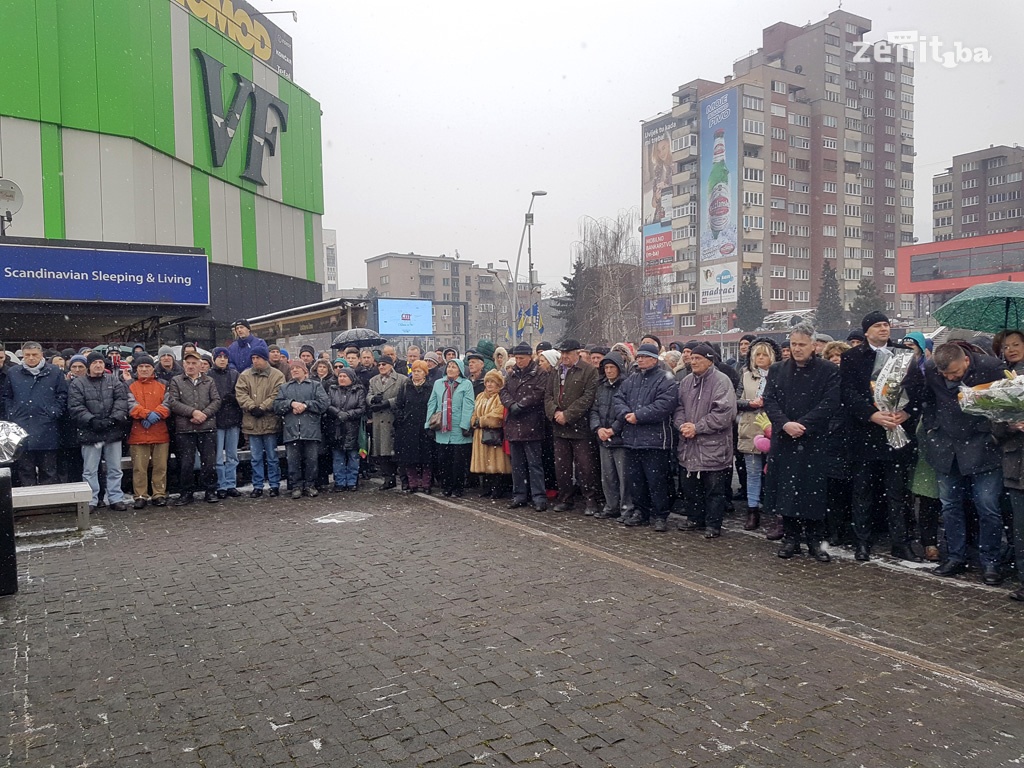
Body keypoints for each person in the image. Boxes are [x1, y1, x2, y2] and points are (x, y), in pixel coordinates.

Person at [917, 341, 1007, 585]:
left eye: (955, 373)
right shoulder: (932, 370)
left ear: (966, 360)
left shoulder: (991, 367)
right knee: (950, 506)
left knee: (987, 505)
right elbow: (926, 401)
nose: (950, 378)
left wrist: (993, 433)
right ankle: (955, 556)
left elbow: (1003, 404)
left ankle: (990, 560)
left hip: (983, 446)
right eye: (945, 374)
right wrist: (932, 427)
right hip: (946, 447)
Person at [840, 311, 923, 563]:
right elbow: (848, 393)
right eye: (877, 326)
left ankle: (901, 543)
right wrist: (871, 415)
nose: (883, 329)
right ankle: (863, 541)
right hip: (865, 434)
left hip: (895, 433)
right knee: (862, 491)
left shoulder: (904, 354)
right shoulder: (851, 357)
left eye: (886, 325)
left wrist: (907, 414)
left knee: (897, 493)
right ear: (866, 331)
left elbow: (918, 390)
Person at [762, 324, 840, 562]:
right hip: (785, 439)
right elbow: (769, 400)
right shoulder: (777, 370)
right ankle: (791, 538)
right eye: (793, 344)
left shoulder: (828, 370)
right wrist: (785, 424)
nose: (797, 349)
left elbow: (830, 402)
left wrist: (803, 424)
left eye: (802, 344)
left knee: (813, 492)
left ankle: (816, 541)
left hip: (813, 441)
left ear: (813, 345)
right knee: (787, 490)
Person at [674, 343, 737, 538]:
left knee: (714, 489)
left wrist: (698, 427)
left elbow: (725, 413)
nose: (693, 362)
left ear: (710, 361)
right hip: (689, 445)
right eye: (692, 358)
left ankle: (713, 524)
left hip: (713, 446)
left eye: (698, 358)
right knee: (691, 486)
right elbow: (678, 407)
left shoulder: (721, 381)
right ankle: (695, 518)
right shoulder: (685, 382)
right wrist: (682, 425)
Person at [614, 343, 678, 531]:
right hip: (632, 440)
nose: (639, 359)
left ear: (654, 359)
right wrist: (626, 413)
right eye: (638, 356)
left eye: (644, 356)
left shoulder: (666, 379)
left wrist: (638, 416)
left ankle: (660, 515)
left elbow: (664, 406)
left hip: (655, 441)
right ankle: (641, 512)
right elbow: (618, 398)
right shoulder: (632, 379)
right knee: (636, 480)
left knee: (656, 481)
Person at [68, 351, 130, 511]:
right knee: (90, 469)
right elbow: (75, 406)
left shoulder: (114, 381)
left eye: (101, 363)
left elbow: (121, 401)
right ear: (89, 365)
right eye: (95, 363)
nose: (98, 365)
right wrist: (91, 420)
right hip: (90, 432)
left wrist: (113, 419)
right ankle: (91, 500)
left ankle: (116, 497)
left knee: (115, 468)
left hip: (112, 431)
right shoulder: (78, 384)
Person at [545, 339, 600, 514]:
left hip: (579, 427)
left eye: (568, 353)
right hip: (559, 427)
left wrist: (567, 415)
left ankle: (590, 500)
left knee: (585, 467)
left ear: (578, 352)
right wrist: (554, 412)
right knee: (562, 467)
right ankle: (565, 498)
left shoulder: (588, 371)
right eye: (562, 353)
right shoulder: (557, 370)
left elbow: (588, 397)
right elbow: (548, 395)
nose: (564, 356)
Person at [3, 341, 68, 486]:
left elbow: (62, 395)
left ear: (41, 355)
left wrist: (54, 412)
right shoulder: (13, 373)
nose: (31, 358)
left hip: (47, 428)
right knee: (25, 470)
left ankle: (48, 505)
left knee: (49, 470)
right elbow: (7, 396)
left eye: (34, 355)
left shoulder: (54, 372)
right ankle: (29, 505)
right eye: (27, 355)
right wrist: (12, 414)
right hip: (22, 428)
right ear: (22, 356)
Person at [167, 350, 221, 505]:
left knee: (209, 462)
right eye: (188, 363)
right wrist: (193, 412)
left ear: (200, 365)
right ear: (183, 365)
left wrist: (204, 414)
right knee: (186, 463)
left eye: (194, 363)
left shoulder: (209, 381)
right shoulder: (176, 381)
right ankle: (186, 493)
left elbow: (216, 400)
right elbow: (173, 402)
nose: (190, 366)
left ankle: (210, 491)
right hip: (185, 428)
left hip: (207, 426)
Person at [500, 343, 550, 511]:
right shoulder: (512, 374)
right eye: (517, 358)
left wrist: (521, 405)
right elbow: (503, 391)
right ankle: (519, 494)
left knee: (535, 464)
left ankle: (538, 497)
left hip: (532, 423)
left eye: (521, 358)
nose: (518, 361)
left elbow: (538, 393)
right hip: (514, 424)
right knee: (517, 464)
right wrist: (511, 404)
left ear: (530, 357)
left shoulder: (540, 373)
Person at [735, 339, 778, 531]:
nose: (761, 358)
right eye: (757, 355)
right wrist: (750, 403)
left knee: (775, 473)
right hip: (750, 428)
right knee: (752, 473)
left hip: (774, 429)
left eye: (764, 354)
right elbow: (735, 401)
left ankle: (776, 513)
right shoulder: (745, 376)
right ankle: (752, 511)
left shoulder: (780, 375)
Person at [994, 330, 1024, 600]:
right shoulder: (1002, 380)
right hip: (1016, 462)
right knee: (1020, 525)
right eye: (1006, 346)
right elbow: (995, 425)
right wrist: (1010, 425)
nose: (1011, 349)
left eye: (1016, 344)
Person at [274, 360, 329, 498]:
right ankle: (296, 486)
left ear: (305, 371)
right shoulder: (285, 388)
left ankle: (310, 485)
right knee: (293, 461)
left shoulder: (315, 386)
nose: (294, 370)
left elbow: (324, 404)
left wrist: (306, 405)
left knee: (312, 460)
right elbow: (276, 406)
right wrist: (291, 403)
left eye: (298, 368)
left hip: (311, 430)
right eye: (292, 369)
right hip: (291, 430)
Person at [235, 348, 285, 498]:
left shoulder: (277, 375)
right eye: (253, 358)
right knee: (255, 457)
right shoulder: (245, 375)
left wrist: (263, 407)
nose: (255, 360)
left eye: (258, 358)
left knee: (272, 456)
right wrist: (252, 406)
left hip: (269, 421)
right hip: (252, 422)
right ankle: (257, 485)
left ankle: (274, 484)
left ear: (265, 358)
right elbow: (240, 393)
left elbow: (278, 393)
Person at [590, 351, 631, 520]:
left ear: (619, 368)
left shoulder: (626, 385)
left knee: (624, 477)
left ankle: (626, 508)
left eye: (611, 367)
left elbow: (626, 411)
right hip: (603, 437)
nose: (608, 371)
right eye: (606, 367)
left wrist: (614, 429)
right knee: (607, 476)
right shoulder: (601, 386)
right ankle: (611, 506)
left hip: (620, 438)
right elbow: (594, 410)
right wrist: (598, 428)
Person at [126, 354, 171, 508]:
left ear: (153, 368)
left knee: (160, 466)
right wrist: (145, 414)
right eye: (141, 367)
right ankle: (140, 495)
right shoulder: (129, 385)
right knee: (139, 468)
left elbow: (168, 402)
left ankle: (159, 493)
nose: (144, 369)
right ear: (136, 369)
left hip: (159, 432)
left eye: (147, 366)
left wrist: (157, 414)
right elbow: (130, 404)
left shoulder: (163, 384)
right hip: (139, 433)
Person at [425, 359, 475, 497]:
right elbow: (432, 403)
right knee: (444, 460)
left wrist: (465, 425)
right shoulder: (438, 383)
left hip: (458, 429)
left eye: (454, 367)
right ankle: (446, 486)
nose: (451, 369)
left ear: (460, 370)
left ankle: (458, 487)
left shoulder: (466, 384)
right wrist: (428, 424)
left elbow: (469, 406)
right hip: (442, 428)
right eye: (449, 367)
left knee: (458, 461)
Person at [470, 369, 512, 498]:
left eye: (492, 382)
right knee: (484, 463)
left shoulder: (500, 397)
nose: (489, 384)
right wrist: (475, 420)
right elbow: (474, 414)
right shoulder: (480, 396)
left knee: (496, 463)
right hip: (480, 435)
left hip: (493, 435)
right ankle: (487, 487)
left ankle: (497, 488)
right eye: (487, 381)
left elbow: (497, 416)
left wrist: (480, 421)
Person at [394, 360, 434, 493]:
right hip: (408, 427)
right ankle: (413, 484)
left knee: (426, 457)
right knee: (409, 457)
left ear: (425, 373)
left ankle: (426, 484)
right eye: (414, 371)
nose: (416, 374)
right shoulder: (406, 387)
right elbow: (398, 405)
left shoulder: (430, 388)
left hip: (424, 427)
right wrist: (401, 417)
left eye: (419, 371)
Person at [326, 363, 366, 492]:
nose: (341, 378)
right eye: (340, 376)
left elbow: (361, 408)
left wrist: (348, 414)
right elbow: (327, 404)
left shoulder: (359, 390)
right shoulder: (332, 389)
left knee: (353, 456)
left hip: (353, 428)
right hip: (336, 428)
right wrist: (337, 413)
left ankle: (352, 481)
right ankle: (340, 482)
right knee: (338, 457)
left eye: (345, 376)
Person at [210, 347, 242, 499]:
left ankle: (231, 484)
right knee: (217, 456)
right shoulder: (209, 376)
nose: (222, 359)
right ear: (214, 359)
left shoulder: (235, 374)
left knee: (232, 455)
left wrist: (234, 398)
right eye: (219, 356)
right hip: (216, 419)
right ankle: (221, 484)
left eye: (225, 356)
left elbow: (241, 393)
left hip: (233, 418)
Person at [367, 353, 403, 490]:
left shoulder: (401, 379)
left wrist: (388, 402)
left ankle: (400, 477)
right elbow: (368, 395)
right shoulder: (373, 380)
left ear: (391, 365)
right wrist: (372, 400)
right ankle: (388, 478)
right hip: (378, 419)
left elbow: (402, 397)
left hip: (392, 419)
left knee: (393, 449)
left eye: (384, 364)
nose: (381, 367)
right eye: (379, 364)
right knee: (381, 451)